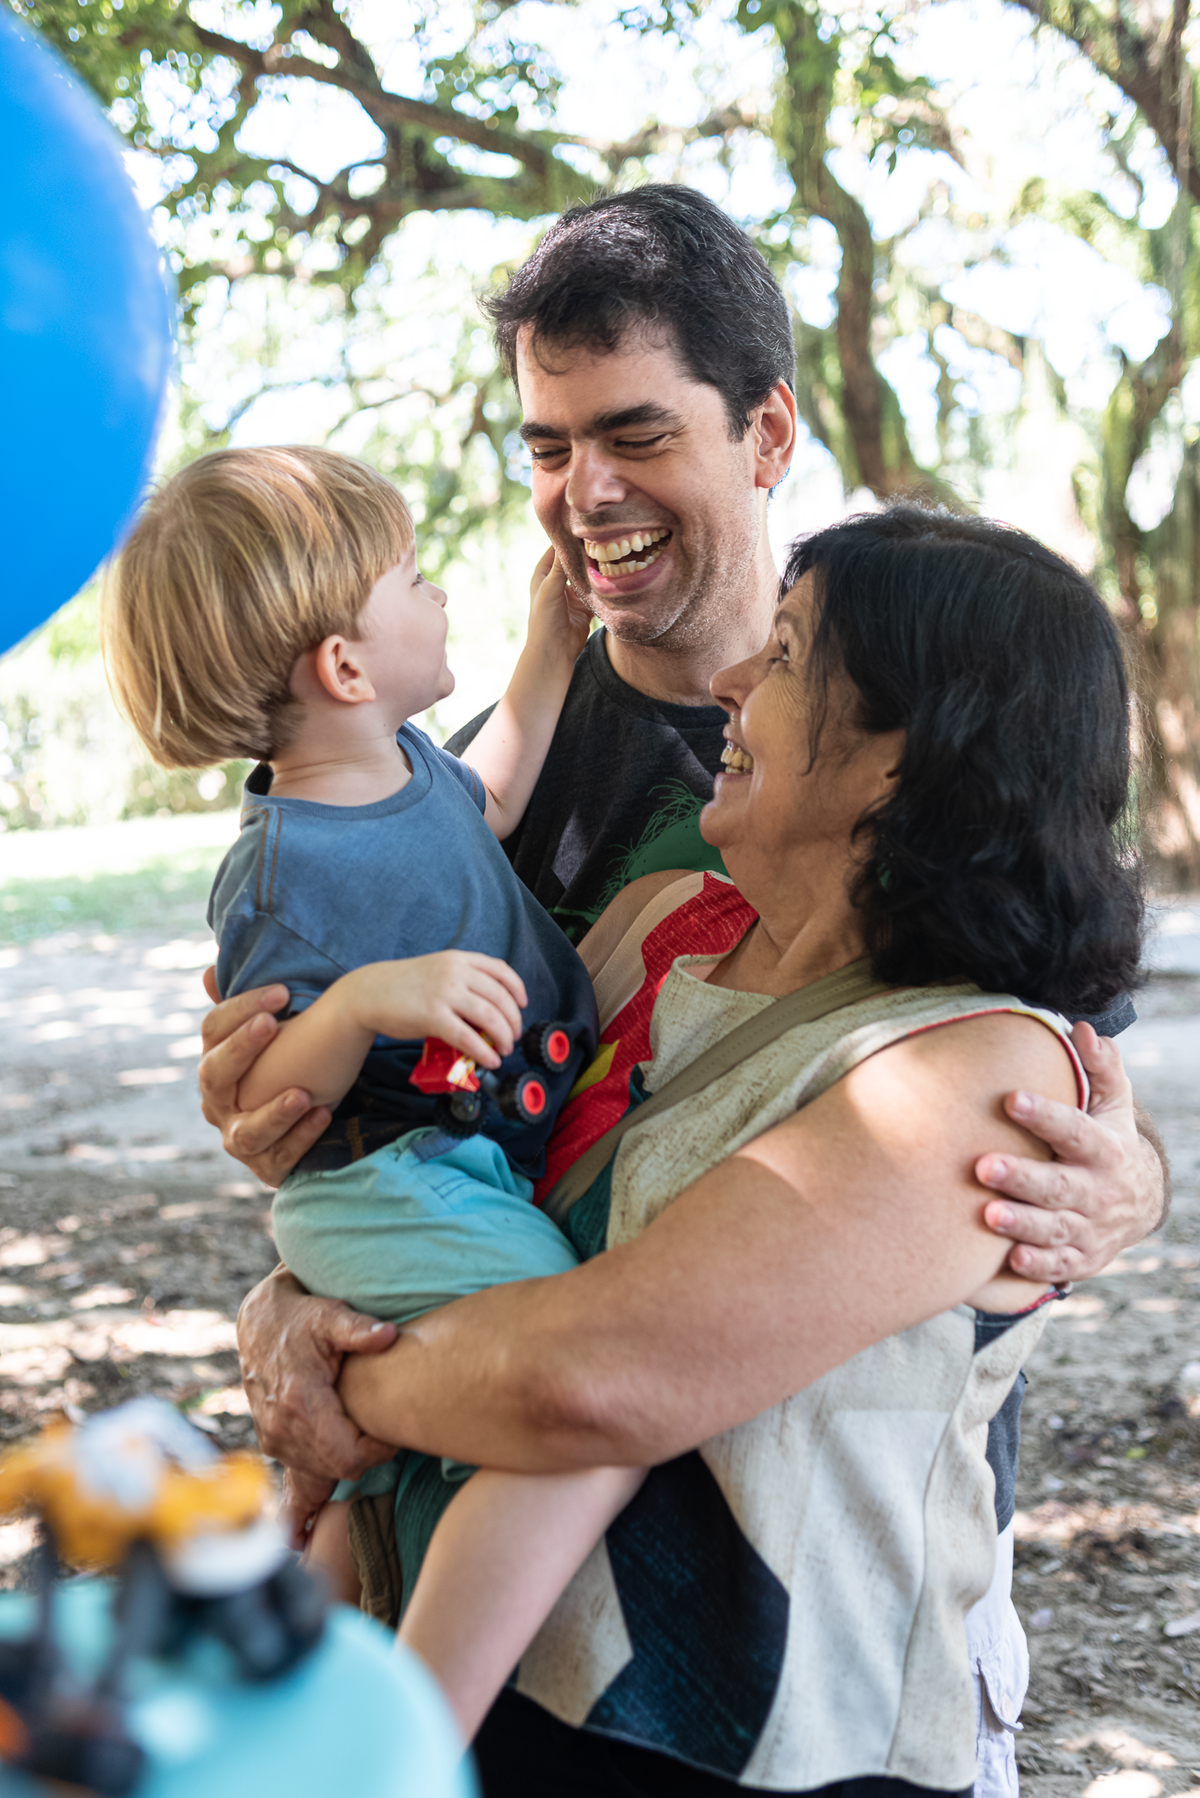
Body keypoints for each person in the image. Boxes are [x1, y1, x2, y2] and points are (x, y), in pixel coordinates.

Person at [200, 189, 1166, 1780]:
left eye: (633, 432)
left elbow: (1055, 1081)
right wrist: (290, 1184)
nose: (584, 492)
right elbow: (423, 1130)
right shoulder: (501, 807)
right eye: (545, 443)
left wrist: (1126, 1180)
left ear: (768, 430)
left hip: (811, 1655)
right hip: (553, 1632)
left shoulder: (939, 741)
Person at [320, 503, 1145, 1793]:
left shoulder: (978, 1071)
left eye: (788, 656)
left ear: (902, 756)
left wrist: (341, 1379)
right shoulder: (657, 929)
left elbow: (601, 1380)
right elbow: (442, 1160)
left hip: (760, 1750)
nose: (726, 684)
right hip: (495, 1700)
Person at [101, 443, 665, 1738]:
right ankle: (414, 1725)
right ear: (343, 667)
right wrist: (364, 1003)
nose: (438, 592)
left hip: (454, 1169)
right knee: (565, 1392)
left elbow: (504, 781)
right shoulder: (282, 870)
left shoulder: (411, 769)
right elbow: (273, 1096)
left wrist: (546, 636)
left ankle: (295, 1676)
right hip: (382, 1185)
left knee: (397, 1456)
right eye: (414, 578)